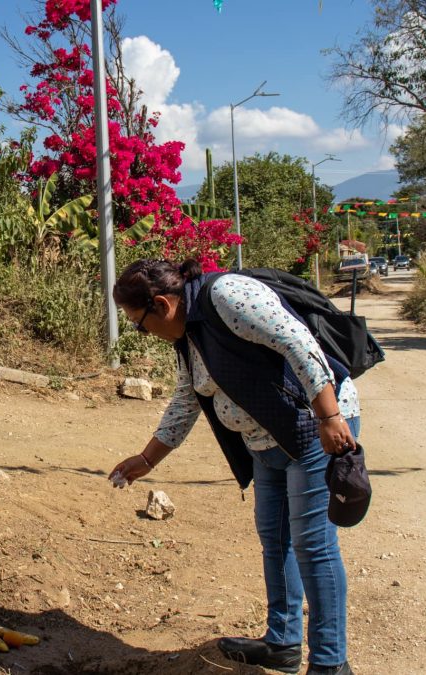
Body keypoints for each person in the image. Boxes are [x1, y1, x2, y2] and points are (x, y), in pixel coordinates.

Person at [110, 258, 361, 675]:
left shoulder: (227, 296)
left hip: (312, 429)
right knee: (276, 540)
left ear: (161, 304)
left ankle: (331, 663)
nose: (144, 333)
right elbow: (188, 398)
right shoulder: (187, 335)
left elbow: (298, 343)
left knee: (313, 546)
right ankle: (282, 642)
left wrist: (329, 417)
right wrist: (146, 458)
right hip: (264, 441)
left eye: (140, 323)